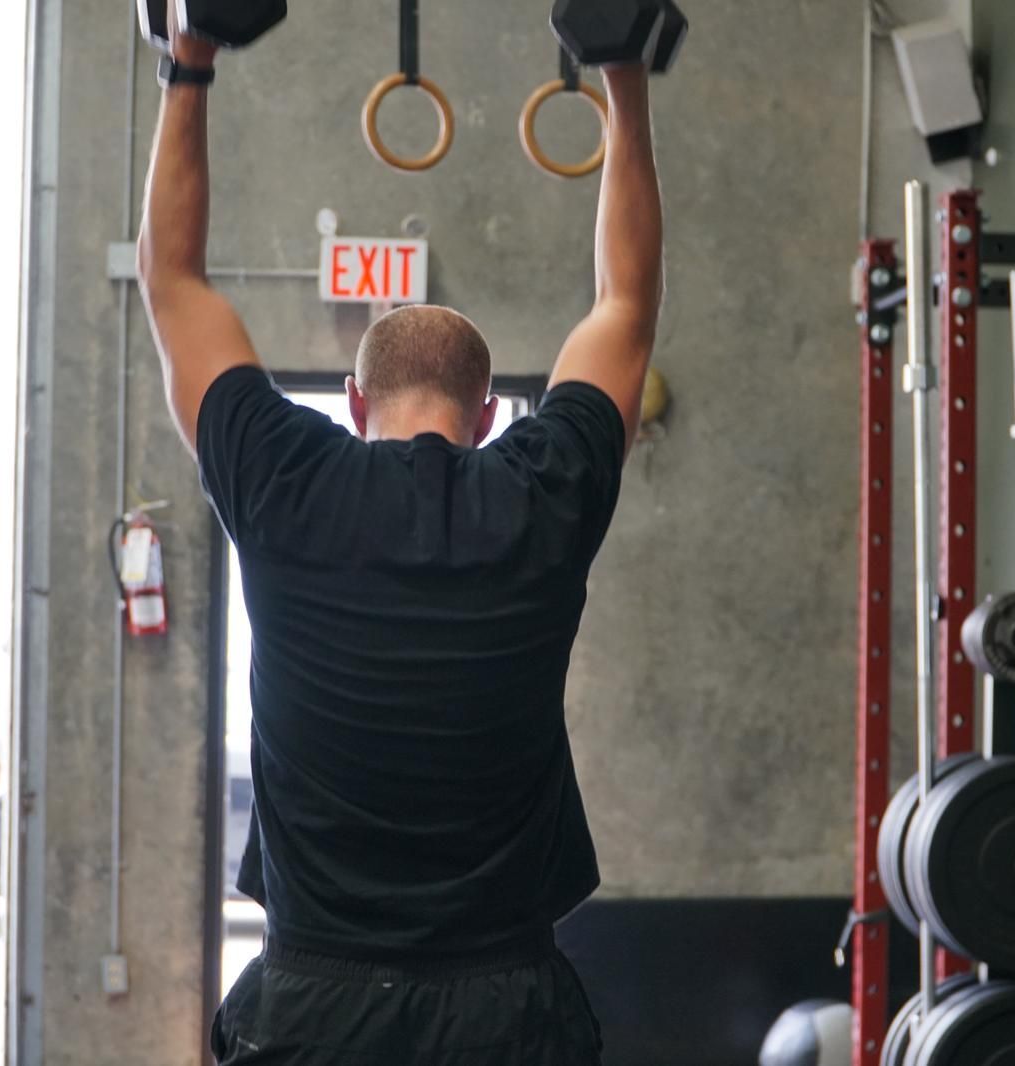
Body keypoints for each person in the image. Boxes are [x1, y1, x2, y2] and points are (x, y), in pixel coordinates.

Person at [137, 3, 662, 1061]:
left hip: (316, 1005)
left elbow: (174, 281)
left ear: (351, 398)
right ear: (483, 416)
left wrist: (188, 61)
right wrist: (622, 71)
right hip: (506, 1006)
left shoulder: (286, 477)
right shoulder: (540, 493)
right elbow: (625, 305)